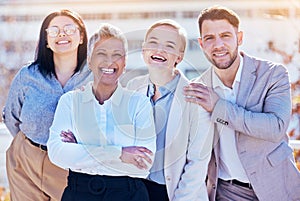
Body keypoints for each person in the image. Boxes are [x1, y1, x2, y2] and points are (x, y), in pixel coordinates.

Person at [184, 5, 300, 201]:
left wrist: (219, 108)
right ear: (201, 44)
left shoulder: (273, 74)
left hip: (278, 185)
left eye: (225, 36)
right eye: (210, 38)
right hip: (227, 192)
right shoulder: (199, 88)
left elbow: (275, 127)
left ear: (239, 38)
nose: (218, 44)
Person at [47, 23, 156, 201]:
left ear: (124, 62)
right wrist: (120, 154)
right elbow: (58, 153)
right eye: (101, 54)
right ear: (89, 60)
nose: (109, 61)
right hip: (79, 193)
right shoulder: (70, 102)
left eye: (117, 55)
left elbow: (143, 164)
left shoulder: (139, 104)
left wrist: (81, 149)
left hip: (128, 194)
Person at [3, 9, 92, 201]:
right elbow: (11, 116)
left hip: (72, 167)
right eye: (54, 30)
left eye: (69, 29)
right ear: (46, 40)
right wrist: (30, 145)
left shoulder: (95, 77)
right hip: (26, 161)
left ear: (81, 36)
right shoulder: (28, 75)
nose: (61, 34)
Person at [126, 19, 213, 201]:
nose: (159, 49)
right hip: (135, 189)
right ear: (143, 50)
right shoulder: (133, 87)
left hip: (173, 192)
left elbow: (197, 162)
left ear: (179, 57)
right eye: (154, 43)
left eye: (169, 45)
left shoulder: (196, 97)